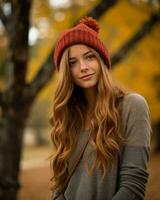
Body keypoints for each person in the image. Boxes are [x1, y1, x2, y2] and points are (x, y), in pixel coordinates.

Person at [50, 17, 152, 200]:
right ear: (66, 71)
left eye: (89, 57)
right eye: (72, 62)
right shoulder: (68, 116)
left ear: (102, 61)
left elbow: (134, 185)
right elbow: (59, 188)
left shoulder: (132, 106)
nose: (83, 67)